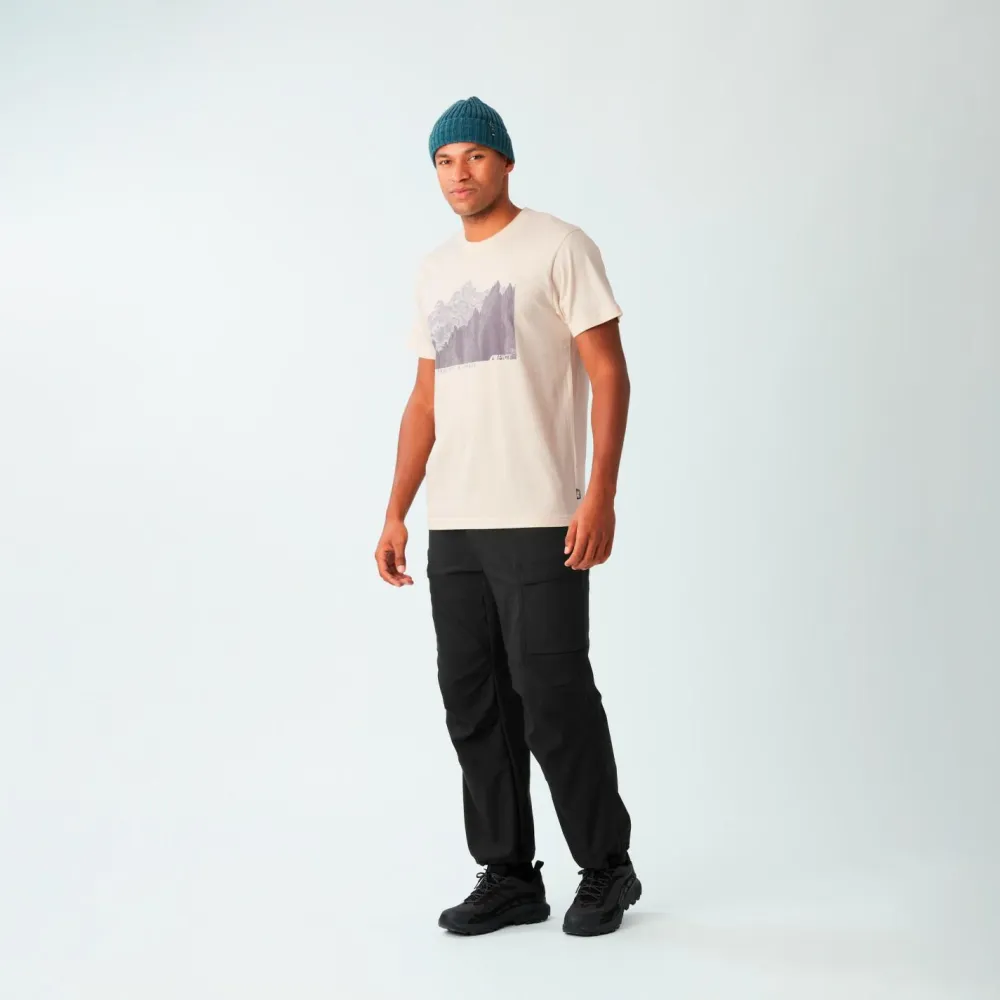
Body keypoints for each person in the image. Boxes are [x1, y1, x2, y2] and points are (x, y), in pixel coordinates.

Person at [374, 96, 640, 938]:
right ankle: (510, 875)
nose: (459, 173)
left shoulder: (559, 247)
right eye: (444, 160)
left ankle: (607, 868)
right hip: (455, 521)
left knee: (554, 695)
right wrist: (396, 511)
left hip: (539, 514)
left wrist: (600, 493)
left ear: (505, 162)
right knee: (475, 702)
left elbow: (608, 372)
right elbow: (425, 400)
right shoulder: (434, 271)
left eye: (475, 156)